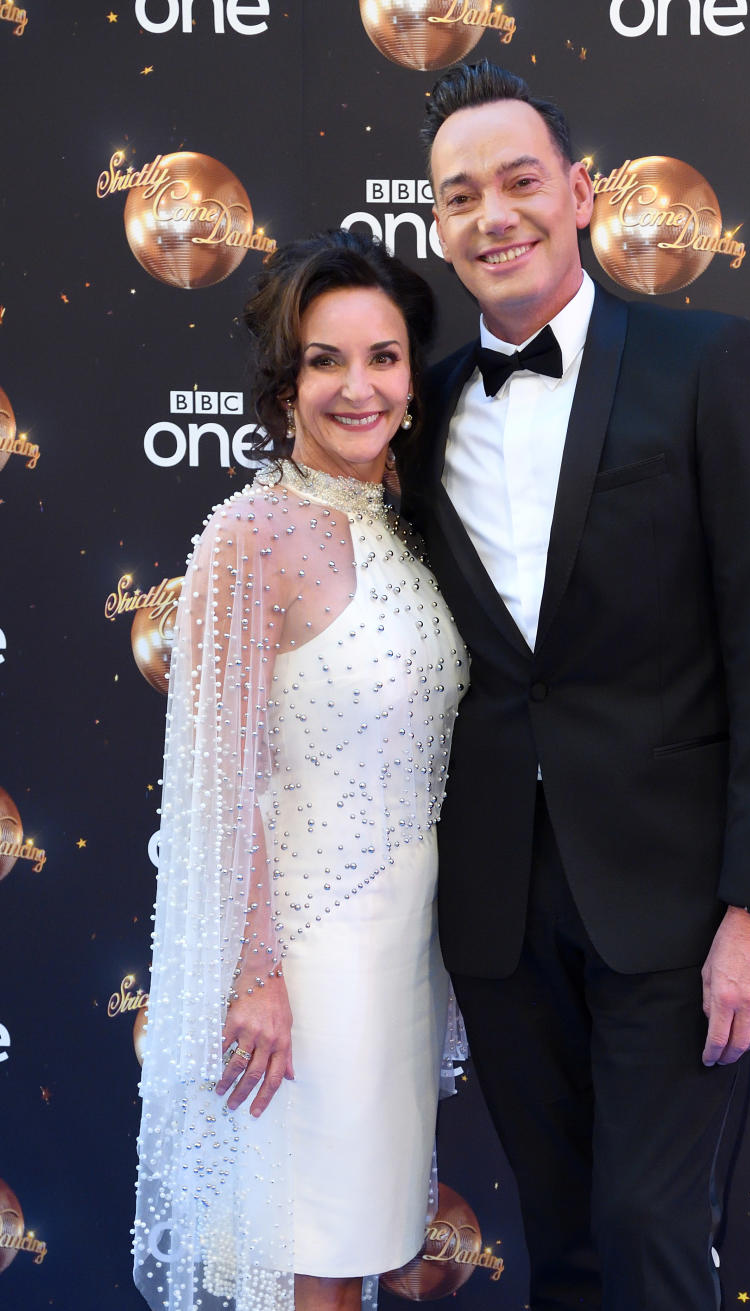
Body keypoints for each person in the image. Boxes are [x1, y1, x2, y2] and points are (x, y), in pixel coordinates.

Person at [400, 61, 750, 1310]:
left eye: (521, 181)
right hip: (498, 905)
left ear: (580, 193)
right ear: (436, 225)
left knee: (649, 1231)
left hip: (680, 902)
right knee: (566, 1243)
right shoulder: (413, 419)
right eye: (461, 194)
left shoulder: (707, 363)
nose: (495, 216)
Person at [133, 230, 468, 1311]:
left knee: (358, 1250)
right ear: (287, 383)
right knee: (304, 1260)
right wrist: (254, 971)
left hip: (400, 954)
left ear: (414, 377)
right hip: (305, 961)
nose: (356, 387)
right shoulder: (251, 536)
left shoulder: (418, 529)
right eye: (326, 360)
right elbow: (218, 781)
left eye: (381, 356)